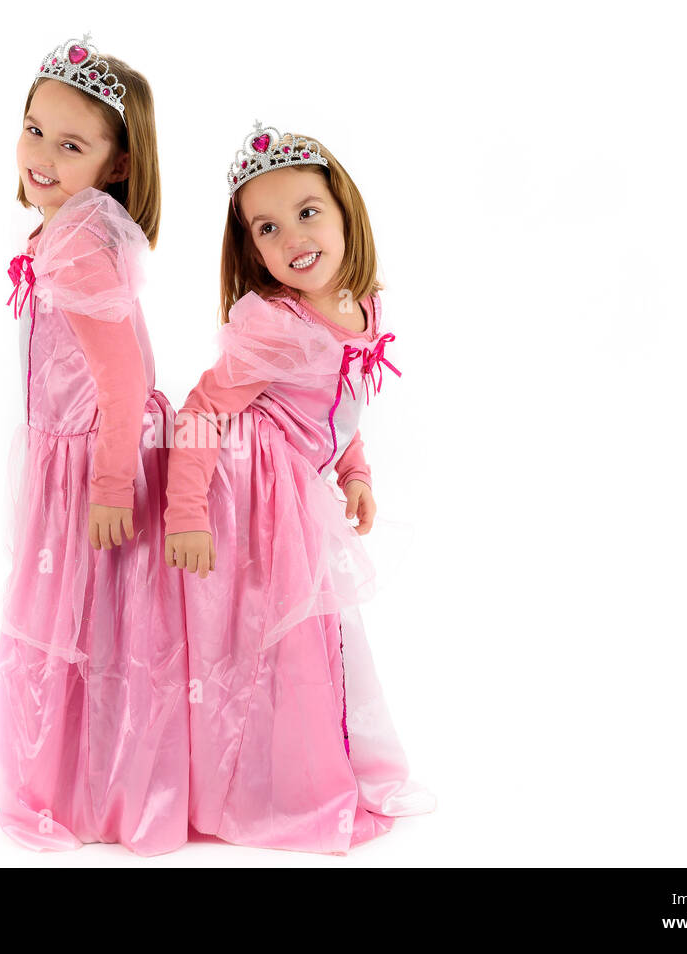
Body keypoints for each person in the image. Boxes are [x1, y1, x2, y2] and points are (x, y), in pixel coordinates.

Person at [165, 120, 437, 853]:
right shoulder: (273, 325)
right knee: (277, 637)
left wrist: (355, 472)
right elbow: (201, 410)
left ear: (345, 208)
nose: (292, 238)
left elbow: (342, 406)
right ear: (251, 247)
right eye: (267, 227)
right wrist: (185, 508)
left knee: (319, 634)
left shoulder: (362, 304)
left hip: (302, 486)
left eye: (307, 212)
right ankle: (271, 779)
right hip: (253, 492)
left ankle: (308, 761)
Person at [0, 34, 187, 856]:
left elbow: (123, 377)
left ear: (115, 163)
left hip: (91, 456)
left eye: (71, 145)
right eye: (35, 130)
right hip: (67, 447)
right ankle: (83, 776)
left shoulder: (74, 239)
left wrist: (108, 484)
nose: (42, 156)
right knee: (91, 619)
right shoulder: (73, 227)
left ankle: (78, 783)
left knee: (82, 619)